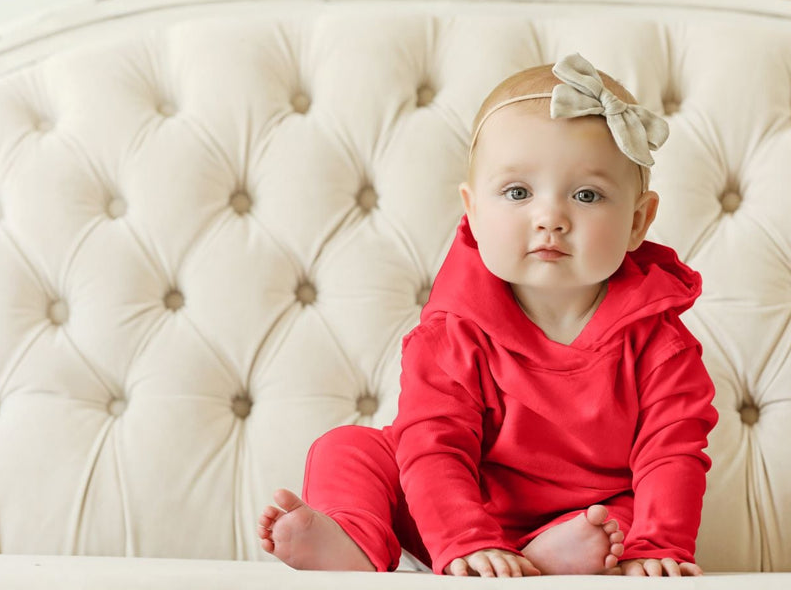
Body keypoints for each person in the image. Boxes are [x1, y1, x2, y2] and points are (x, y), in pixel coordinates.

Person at [259, 53, 718, 578]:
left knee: (618, 519)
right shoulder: (452, 330)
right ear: (473, 211)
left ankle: (551, 557)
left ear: (638, 221)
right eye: (518, 192)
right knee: (348, 447)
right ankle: (355, 540)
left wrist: (657, 546)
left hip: (582, 518)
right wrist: (464, 539)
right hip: (446, 511)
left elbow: (671, 452)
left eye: (587, 195)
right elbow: (434, 449)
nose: (551, 218)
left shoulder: (660, 342)